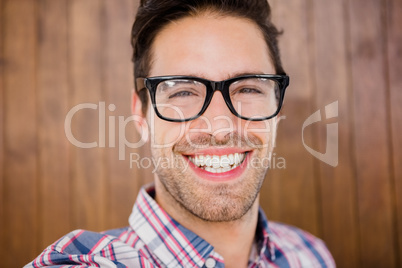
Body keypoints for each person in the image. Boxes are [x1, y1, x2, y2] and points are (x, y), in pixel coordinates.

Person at [26, 0, 335, 267]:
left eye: (248, 88)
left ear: (277, 108)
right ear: (141, 114)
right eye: (183, 92)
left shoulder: (310, 255)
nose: (219, 127)